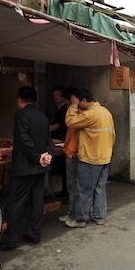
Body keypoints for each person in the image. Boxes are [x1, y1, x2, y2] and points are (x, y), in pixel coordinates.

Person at [0, 86, 54, 250]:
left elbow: (23, 138)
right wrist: (47, 155)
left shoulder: (21, 114)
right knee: (37, 201)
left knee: (15, 202)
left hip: (25, 167)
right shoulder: (42, 116)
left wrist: (37, 157)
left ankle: (10, 240)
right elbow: (48, 140)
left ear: (20, 99)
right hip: (40, 167)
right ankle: (34, 234)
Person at [64, 89, 116, 228]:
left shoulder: (91, 113)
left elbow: (70, 122)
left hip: (91, 158)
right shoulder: (105, 112)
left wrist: (73, 106)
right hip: (105, 157)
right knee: (100, 188)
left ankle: (81, 219)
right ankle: (99, 216)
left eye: (79, 101)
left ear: (84, 100)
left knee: (84, 190)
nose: (78, 104)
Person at [58, 87, 81, 224]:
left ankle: (75, 214)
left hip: (74, 154)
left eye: (68, 102)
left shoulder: (77, 114)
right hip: (72, 152)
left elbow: (70, 123)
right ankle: (74, 213)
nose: (66, 106)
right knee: (73, 186)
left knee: (74, 187)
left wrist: (73, 106)